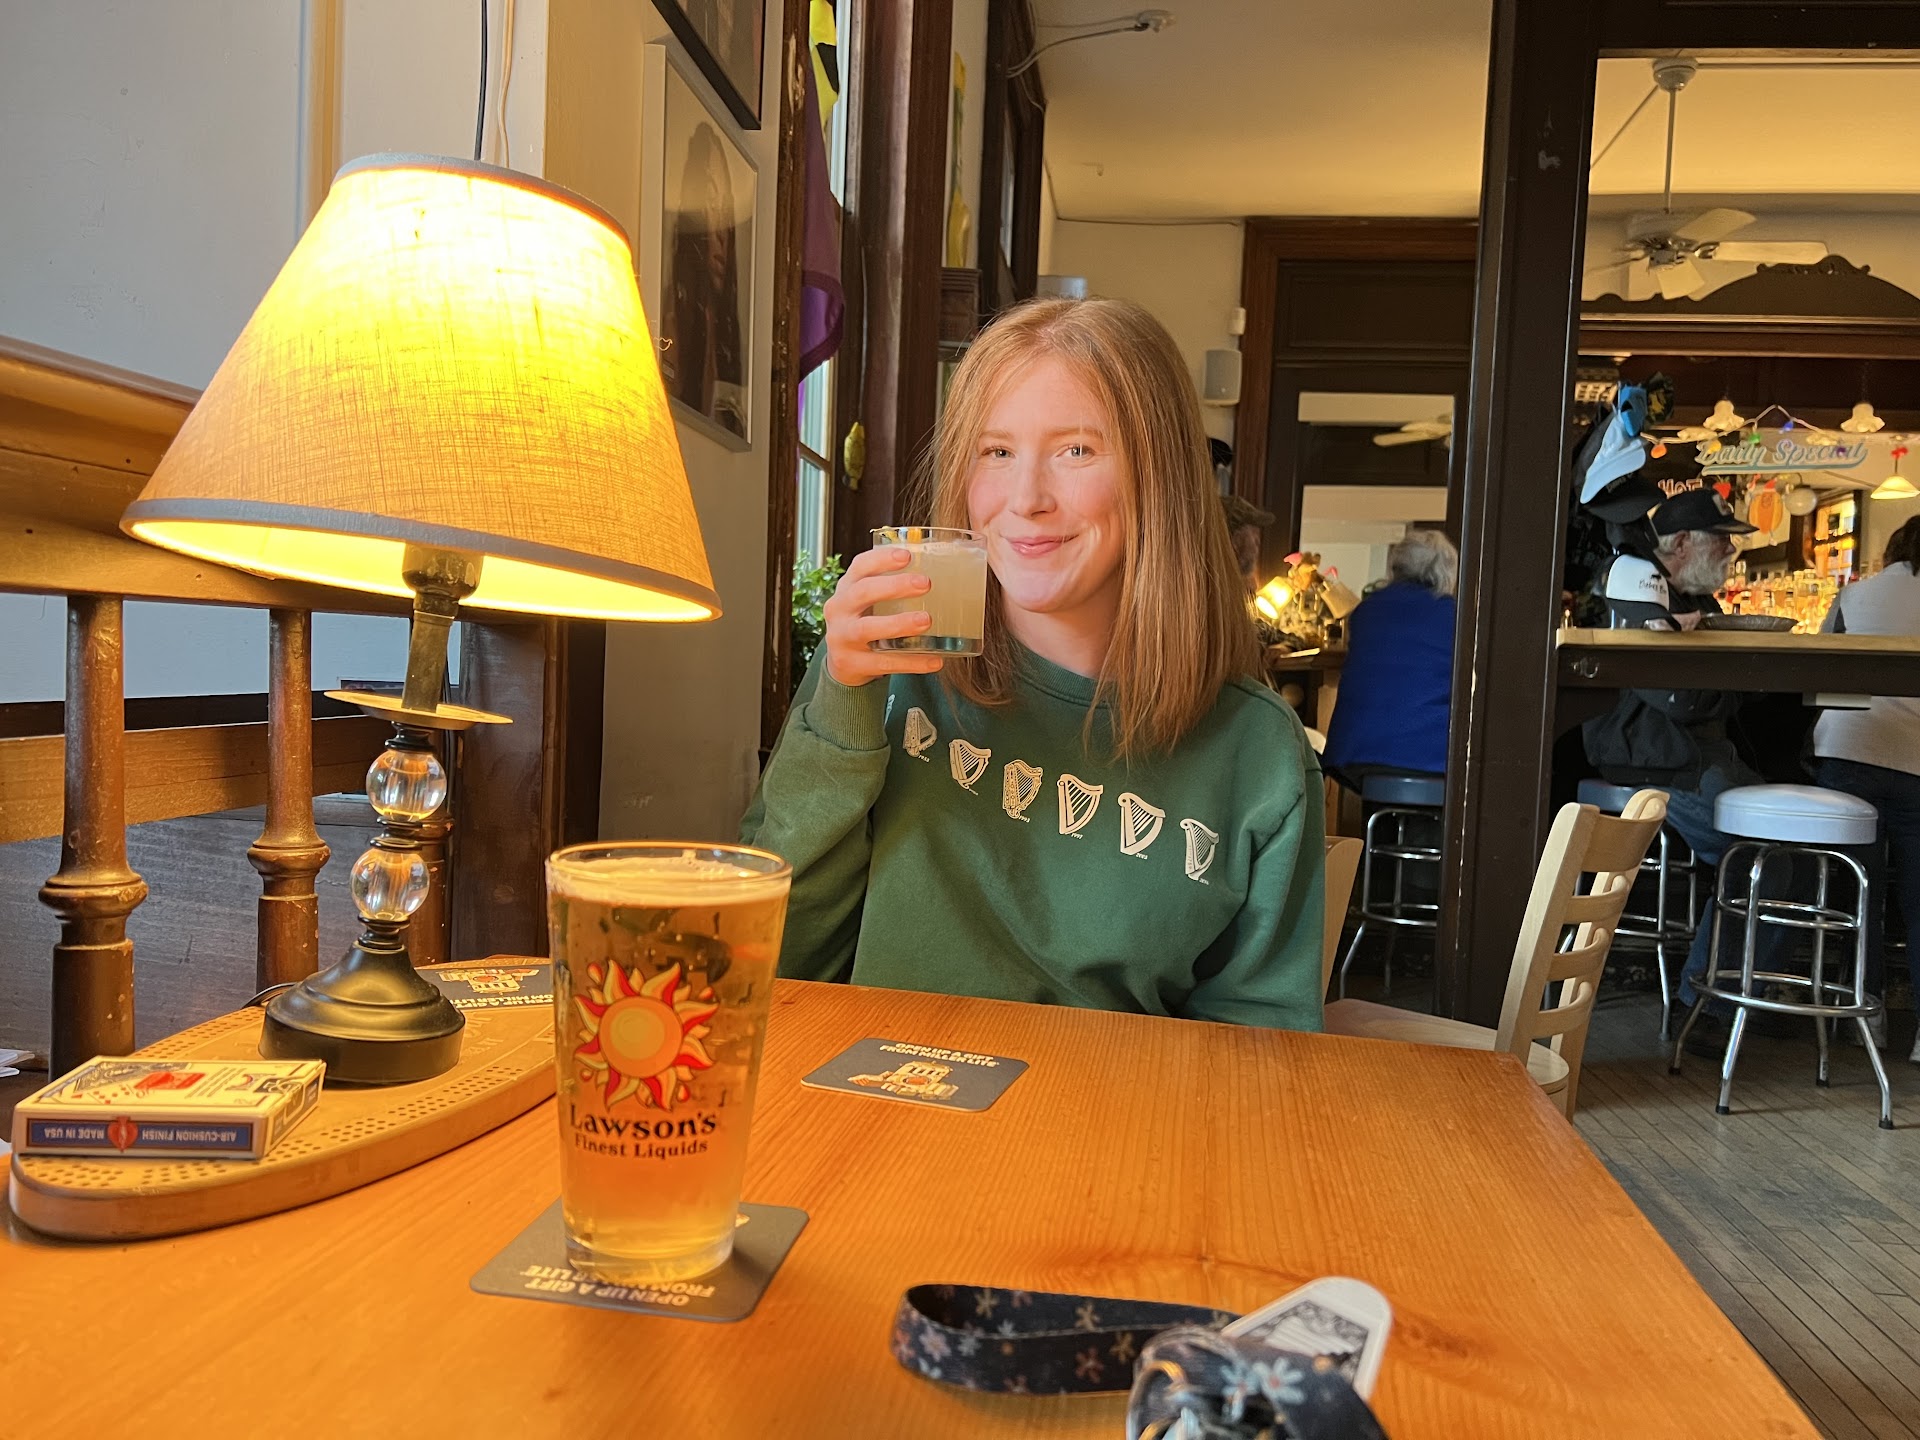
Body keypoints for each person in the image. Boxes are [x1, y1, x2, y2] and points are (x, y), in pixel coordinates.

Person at [742, 297, 1326, 1031]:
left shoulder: (1257, 752)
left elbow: (1258, 1047)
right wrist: (842, 706)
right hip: (873, 1085)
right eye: (996, 452)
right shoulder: (881, 672)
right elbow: (769, 959)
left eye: (1076, 450)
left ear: (1162, 478)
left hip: (1110, 1102)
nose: (1025, 499)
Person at [1583, 488, 1776, 1047]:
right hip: (1654, 763)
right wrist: (1723, 682)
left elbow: (1717, 695)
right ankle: (1707, 1007)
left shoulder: (1697, 604)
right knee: (1761, 853)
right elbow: (1681, 699)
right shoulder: (1636, 585)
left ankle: (1742, 1000)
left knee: (1792, 848)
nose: (1731, 552)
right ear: (1683, 541)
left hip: (1696, 757)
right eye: (1722, 540)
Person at [1813, 515, 1920, 1062]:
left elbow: (1818, 674)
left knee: (1861, 891)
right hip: (1917, 763)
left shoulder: (1855, 595)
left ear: (1894, 550)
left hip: (1850, 753)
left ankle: (1864, 1012)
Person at [1320, 529, 1458, 780]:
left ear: (1396, 566)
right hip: (1428, 756)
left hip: (1351, 752)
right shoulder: (1455, 617)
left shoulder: (1366, 611)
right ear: (1447, 571)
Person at [663, 121, 745, 437]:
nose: (721, 232)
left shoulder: (727, 338)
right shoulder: (670, 321)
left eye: (725, 210)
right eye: (710, 203)